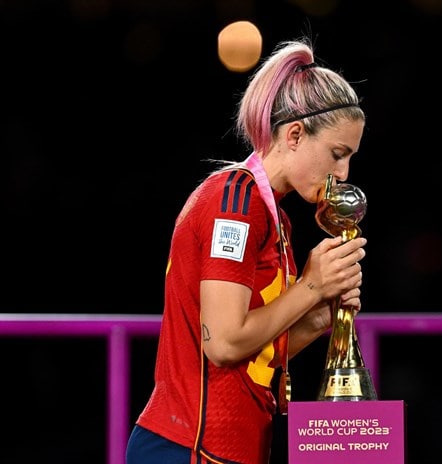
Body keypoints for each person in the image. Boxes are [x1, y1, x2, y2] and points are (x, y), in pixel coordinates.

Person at [125, 37, 367, 464]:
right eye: (337, 154)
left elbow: (253, 356)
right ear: (294, 134)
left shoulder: (277, 218)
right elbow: (223, 343)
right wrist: (311, 285)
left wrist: (316, 321)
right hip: (190, 448)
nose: (343, 172)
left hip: (232, 448)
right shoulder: (234, 203)